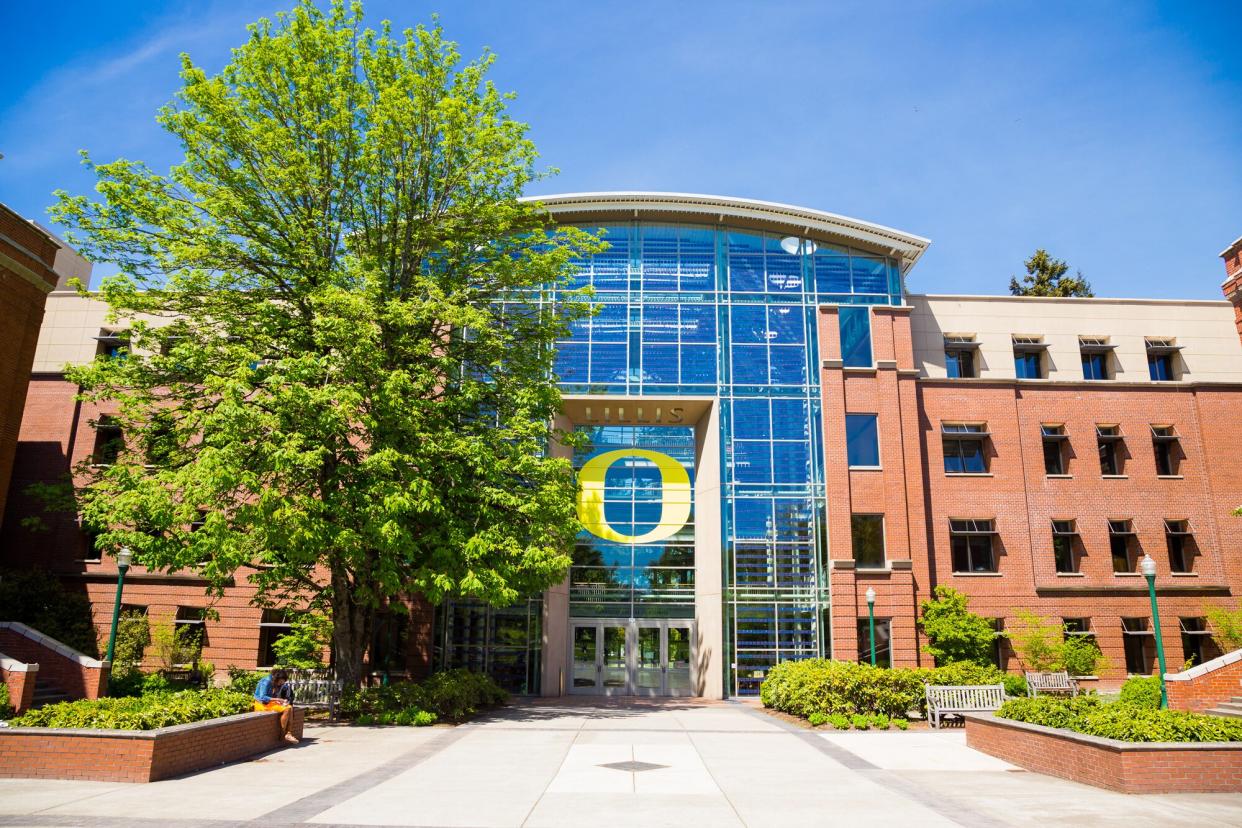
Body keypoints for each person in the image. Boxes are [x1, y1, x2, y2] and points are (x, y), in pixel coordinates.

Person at [253, 668, 299, 743]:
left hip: (268, 703)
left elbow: (271, 697)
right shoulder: (266, 681)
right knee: (287, 709)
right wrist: (278, 699)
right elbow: (262, 697)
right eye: (281, 682)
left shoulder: (274, 682)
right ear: (277, 678)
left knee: (289, 707)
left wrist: (278, 701)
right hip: (261, 704)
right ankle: (283, 733)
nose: (281, 684)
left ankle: (288, 733)